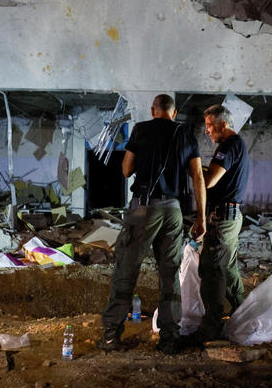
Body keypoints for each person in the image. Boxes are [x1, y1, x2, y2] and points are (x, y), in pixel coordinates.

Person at [98, 94, 206, 354]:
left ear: (153, 110)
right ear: (174, 111)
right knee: (170, 276)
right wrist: (201, 217)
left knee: (126, 271)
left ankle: (112, 336)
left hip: (144, 209)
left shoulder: (141, 129)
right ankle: (169, 338)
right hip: (173, 210)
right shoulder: (186, 134)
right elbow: (198, 177)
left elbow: (125, 170)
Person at [194, 104, 250, 341]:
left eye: (209, 126)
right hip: (230, 215)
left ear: (222, 125)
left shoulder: (229, 145)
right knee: (226, 267)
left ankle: (212, 326)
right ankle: (243, 312)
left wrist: (196, 170)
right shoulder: (237, 146)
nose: (207, 131)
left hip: (224, 217)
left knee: (212, 269)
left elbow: (209, 182)